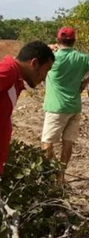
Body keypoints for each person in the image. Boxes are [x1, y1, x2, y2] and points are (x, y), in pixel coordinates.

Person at [42, 27, 89, 176]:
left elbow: (35, 51)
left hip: (55, 108)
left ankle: (54, 171)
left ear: (58, 40)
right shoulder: (82, 57)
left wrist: (48, 46)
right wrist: (85, 81)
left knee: (46, 144)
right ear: (74, 40)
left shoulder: (52, 57)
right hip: (74, 106)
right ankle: (62, 175)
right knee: (67, 142)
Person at [1, 42, 55, 177]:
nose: (44, 78)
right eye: (46, 70)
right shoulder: (8, 71)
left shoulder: (14, 76)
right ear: (34, 63)